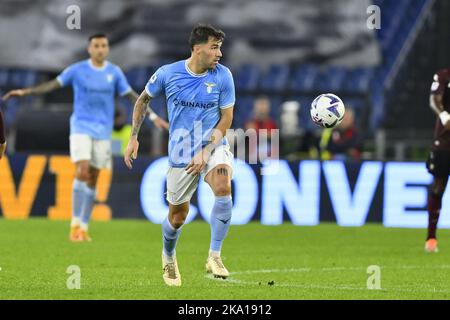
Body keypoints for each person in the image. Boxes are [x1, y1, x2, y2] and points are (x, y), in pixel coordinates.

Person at [2, 34, 167, 242]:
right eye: (96, 45)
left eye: (104, 45)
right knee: (82, 169)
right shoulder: (77, 70)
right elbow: (52, 85)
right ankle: (74, 224)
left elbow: (131, 96)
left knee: (93, 177)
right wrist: (26, 92)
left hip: (102, 131)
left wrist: (152, 115)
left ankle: (83, 227)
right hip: (81, 127)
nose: (100, 49)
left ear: (107, 49)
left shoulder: (113, 72)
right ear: (90, 49)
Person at [124, 24, 235, 287]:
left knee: (223, 184)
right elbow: (142, 100)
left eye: (220, 47)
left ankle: (215, 256)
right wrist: (133, 137)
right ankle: (169, 256)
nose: (219, 53)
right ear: (197, 49)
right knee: (177, 217)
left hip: (212, 144)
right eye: (214, 47)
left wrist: (206, 151)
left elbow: (227, 119)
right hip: (181, 152)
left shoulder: (223, 76)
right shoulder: (167, 74)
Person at [425, 68, 450, 253]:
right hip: (445, 140)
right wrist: (444, 115)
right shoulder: (443, 75)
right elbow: (434, 100)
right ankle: (431, 237)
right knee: (438, 186)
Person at [245, 96, 278, 162]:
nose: (262, 109)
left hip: (270, 159)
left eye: (264, 105)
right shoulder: (250, 123)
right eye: (260, 106)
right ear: (255, 108)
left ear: (268, 109)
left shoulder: (272, 123)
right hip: (253, 158)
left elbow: (274, 136)